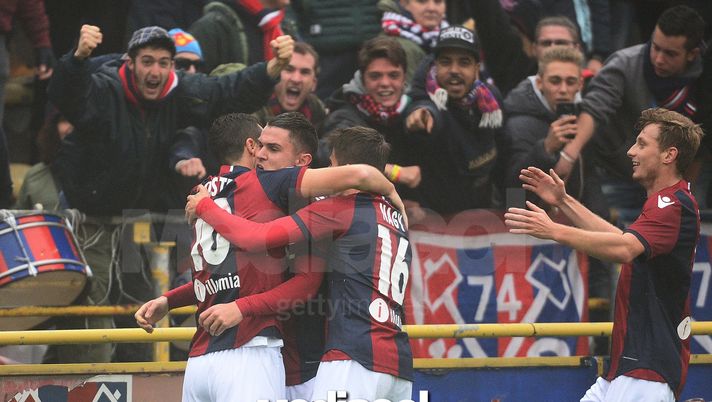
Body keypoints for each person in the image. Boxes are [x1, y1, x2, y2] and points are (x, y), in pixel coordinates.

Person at [136, 113, 404, 401]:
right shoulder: (255, 196)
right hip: (271, 359)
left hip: (308, 368)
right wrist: (171, 299)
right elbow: (239, 275)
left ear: (302, 163)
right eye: (260, 146)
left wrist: (206, 209)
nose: (260, 156)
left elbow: (304, 284)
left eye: (272, 149)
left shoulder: (318, 207)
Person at [504, 107, 703, 401]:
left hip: (647, 371)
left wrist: (554, 231)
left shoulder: (672, 203)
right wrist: (564, 201)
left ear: (668, 155)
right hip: (627, 366)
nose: (631, 151)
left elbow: (624, 249)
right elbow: (623, 240)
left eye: (642, 144)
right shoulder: (666, 203)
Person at [557, 5, 705, 219]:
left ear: (692, 54)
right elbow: (595, 108)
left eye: (670, 54)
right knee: (613, 239)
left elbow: (703, 142)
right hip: (619, 174)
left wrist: (682, 190)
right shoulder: (625, 63)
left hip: (676, 178)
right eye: (655, 47)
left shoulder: (703, 80)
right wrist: (569, 154)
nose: (659, 59)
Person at [405, 25, 503, 214]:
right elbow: (425, 109)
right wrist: (421, 116)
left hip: (484, 215)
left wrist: (515, 208)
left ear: (477, 68)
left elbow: (507, 159)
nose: (454, 70)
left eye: (464, 62)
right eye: (446, 62)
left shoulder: (491, 101)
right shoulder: (428, 102)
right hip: (436, 223)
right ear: (435, 65)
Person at [322, 36, 421, 201]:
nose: (385, 83)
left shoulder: (413, 111)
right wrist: (395, 172)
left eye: (393, 75)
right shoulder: (345, 113)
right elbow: (329, 155)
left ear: (404, 78)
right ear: (362, 79)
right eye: (375, 76)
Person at [253, 42, 327, 131]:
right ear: (275, 73)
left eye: (304, 72)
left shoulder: (318, 113)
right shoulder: (254, 110)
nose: (296, 79)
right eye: (289, 69)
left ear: (314, 83)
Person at [379, 0, 449, 84]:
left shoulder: (445, 37)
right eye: (422, 1)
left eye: (438, 2)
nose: (431, 8)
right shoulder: (401, 47)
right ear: (404, 3)